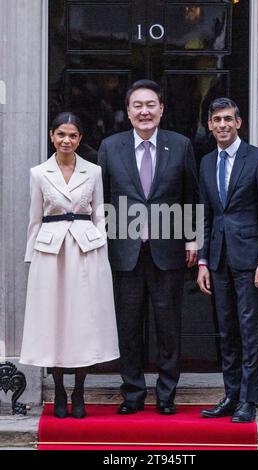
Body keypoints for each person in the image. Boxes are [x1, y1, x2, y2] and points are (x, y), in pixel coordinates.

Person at [98, 80, 198, 415]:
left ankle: (167, 394)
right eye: (138, 105)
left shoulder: (180, 145)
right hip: (124, 253)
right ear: (128, 111)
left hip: (167, 252)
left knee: (168, 326)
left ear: (161, 109)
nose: (145, 111)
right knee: (128, 328)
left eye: (151, 104)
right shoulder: (110, 147)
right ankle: (133, 393)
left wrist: (191, 237)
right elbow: (102, 200)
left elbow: (190, 194)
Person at [20, 112, 119, 418]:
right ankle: (60, 391)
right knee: (55, 321)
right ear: (52, 136)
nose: (66, 140)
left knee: (83, 323)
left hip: (86, 250)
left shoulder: (93, 171)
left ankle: (79, 392)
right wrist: (31, 257)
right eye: (61, 134)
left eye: (72, 135)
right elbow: (34, 219)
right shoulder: (39, 173)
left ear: (80, 139)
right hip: (50, 254)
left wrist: (102, 256)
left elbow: (100, 216)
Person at [197, 98, 258, 423]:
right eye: (216, 119)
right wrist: (203, 260)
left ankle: (248, 400)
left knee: (249, 330)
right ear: (209, 124)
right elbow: (205, 214)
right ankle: (231, 395)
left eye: (228, 119)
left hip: (250, 261)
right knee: (227, 331)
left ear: (239, 122)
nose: (222, 125)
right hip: (218, 259)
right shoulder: (206, 162)